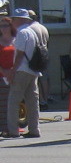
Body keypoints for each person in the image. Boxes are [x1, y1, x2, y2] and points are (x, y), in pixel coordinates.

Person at [5, 8, 49, 138]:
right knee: (32, 101)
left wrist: (13, 71)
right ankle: (35, 129)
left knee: (14, 100)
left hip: (22, 70)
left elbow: (19, 55)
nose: (12, 21)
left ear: (20, 19)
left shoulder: (22, 32)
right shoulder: (31, 32)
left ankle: (13, 131)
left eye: (13, 19)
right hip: (33, 69)